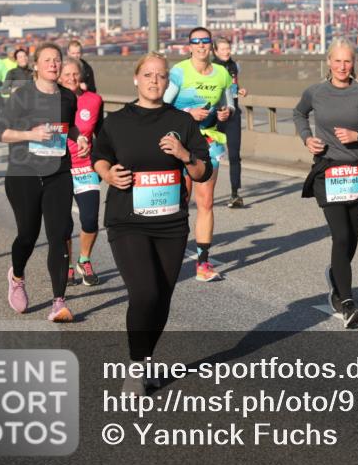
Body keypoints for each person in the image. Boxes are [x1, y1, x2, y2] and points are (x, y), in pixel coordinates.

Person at [92, 52, 212, 395]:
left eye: (160, 76)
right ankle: (135, 366)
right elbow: (100, 156)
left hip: (171, 223)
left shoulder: (182, 122)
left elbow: (203, 171)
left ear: (168, 82)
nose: (154, 80)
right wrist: (107, 173)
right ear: (136, 79)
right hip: (127, 219)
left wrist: (185, 154)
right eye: (147, 75)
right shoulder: (117, 121)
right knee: (144, 292)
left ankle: (146, 360)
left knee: (162, 296)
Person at [294, 37, 358, 328]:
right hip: (328, 171)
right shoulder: (316, 92)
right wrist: (307, 138)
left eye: (347, 61)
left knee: (353, 236)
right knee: (341, 236)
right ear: (328, 62)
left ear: (353, 63)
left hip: (357, 171)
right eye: (337, 60)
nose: (342, 66)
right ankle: (346, 302)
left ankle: (335, 276)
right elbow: (298, 113)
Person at [0, 42, 89, 322]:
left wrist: (80, 137)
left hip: (59, 173)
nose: (53, 64)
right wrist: (30, 135)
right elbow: (1, 131)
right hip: (23, 174)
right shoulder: (22, 96)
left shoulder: (67, 97)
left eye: (57, 60)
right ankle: (17, 275)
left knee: (59, 234)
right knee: (28, 234)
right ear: (36, 65)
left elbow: (69, 126)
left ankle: (58, 302)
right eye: (47, 60)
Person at [163, 26, 232, 282]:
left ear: (211, 45)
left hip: (209, 141)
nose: (202, 45)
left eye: (206, 41)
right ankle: (169, 255)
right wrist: (188, 114)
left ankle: (203, 263)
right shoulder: (179, 72)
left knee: (206, 202)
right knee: (180, 203)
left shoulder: (222, 74)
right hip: (180, 143)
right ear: (189, 46)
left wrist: (226, 112)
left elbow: (230, 104)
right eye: (196, 41)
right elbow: (163, 106)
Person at [58, 58, 104, 286]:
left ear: (82, 75)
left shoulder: (94, 101)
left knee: (89, 219)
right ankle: (67, 265)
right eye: (66, 74)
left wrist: (106, 162)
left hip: (86, 167)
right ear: (58, 77)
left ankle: (84, 259)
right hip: (60, 170)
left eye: (75, 74)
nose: (71, 78)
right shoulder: (50, 101)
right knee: (64, 224)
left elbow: (103, 134)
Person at [213, 37, 248, 208]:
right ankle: (206, 191)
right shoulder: (210, 68)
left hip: (233, 115)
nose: (227, 51)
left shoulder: (235, 66)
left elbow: (233, 87)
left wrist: (239, 90)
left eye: (228, 48)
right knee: (212, 157)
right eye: (223, 48)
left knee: (234, 155)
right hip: (214, 116)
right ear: (215, 51)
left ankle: (235, 194)